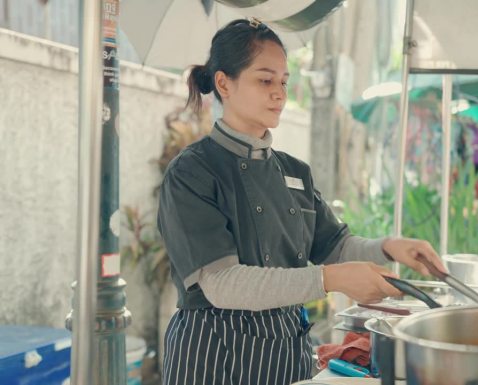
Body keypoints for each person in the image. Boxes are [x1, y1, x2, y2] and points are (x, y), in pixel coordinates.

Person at [157, 18, 446, 385]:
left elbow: (335, 246)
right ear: (223, 83)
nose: (279, 92)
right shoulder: (193, 172)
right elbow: (223, 283)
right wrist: (330, 279)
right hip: (215, 360)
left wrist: (389, 248)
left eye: (284, 81)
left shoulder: (293, 172)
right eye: (265, 80)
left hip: (284, 358)